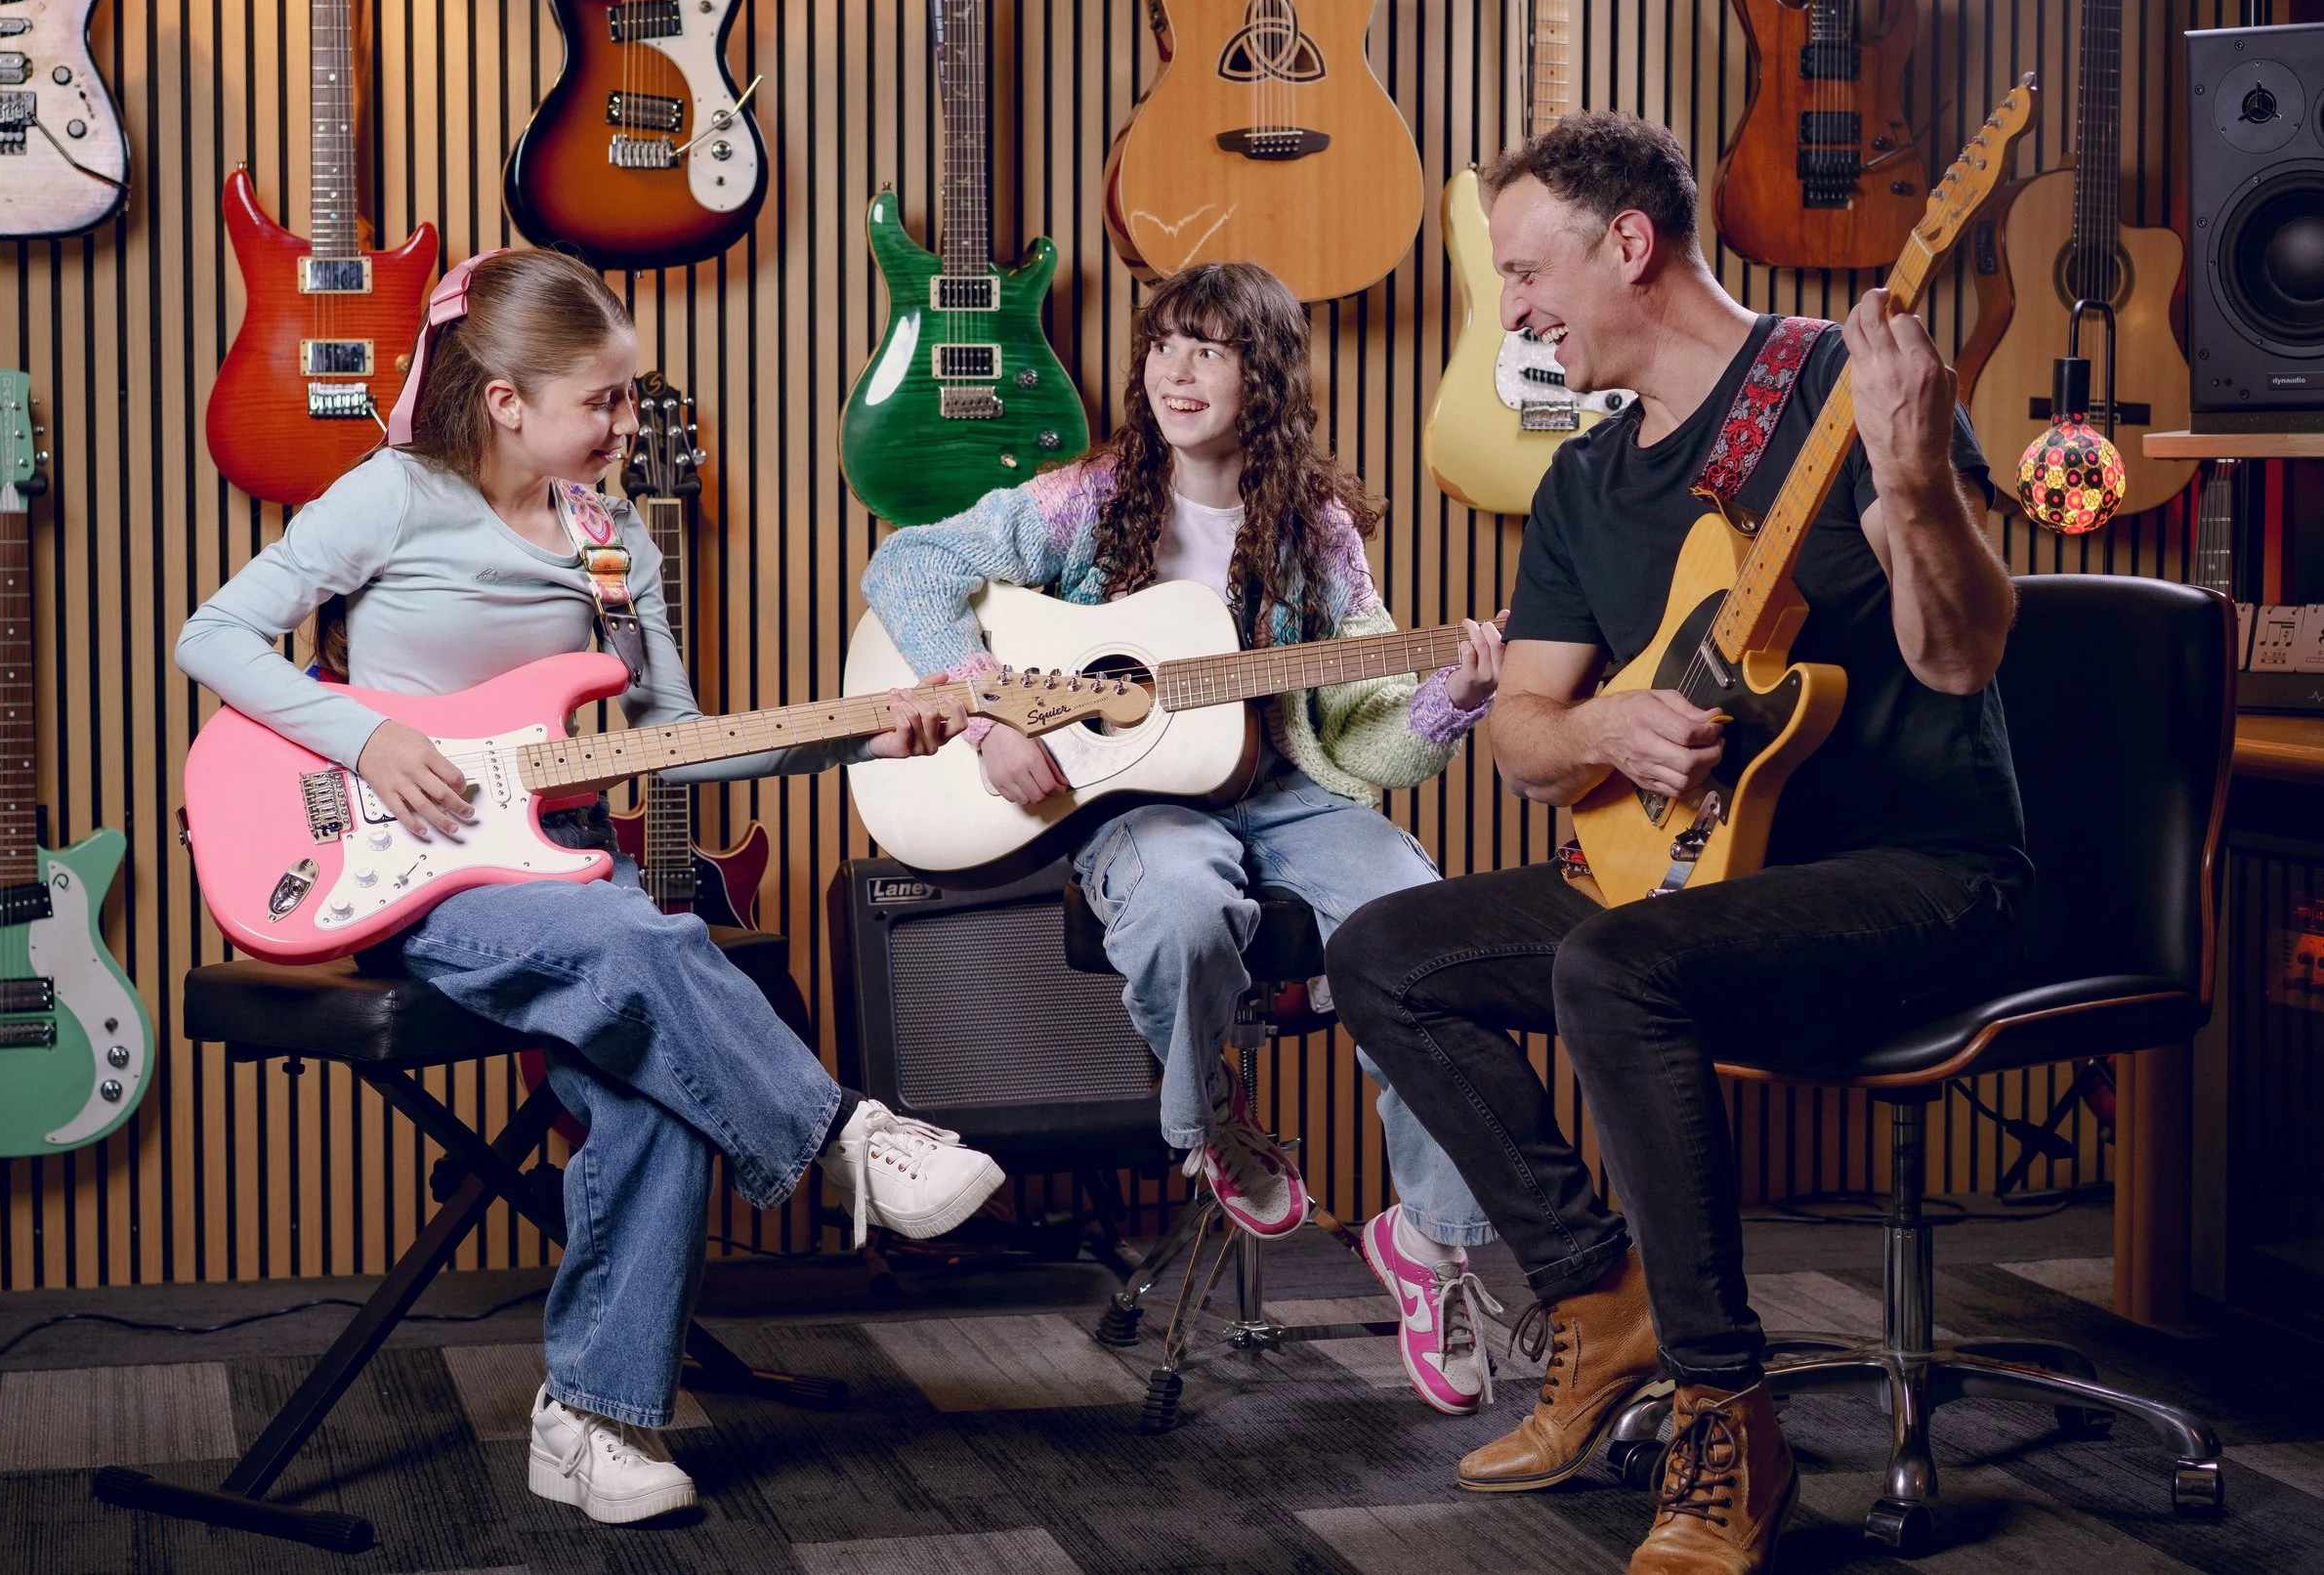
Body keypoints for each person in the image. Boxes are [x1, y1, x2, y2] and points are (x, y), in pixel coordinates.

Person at [175, 248, 1005, 1527]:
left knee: (649, 1068)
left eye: (631, 398)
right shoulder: (391, 496)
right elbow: (212, 636)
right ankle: (843, 1137)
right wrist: (369, 742)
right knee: (638, 934)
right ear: (505, 399)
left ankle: (593, 1424)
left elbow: (680, 736)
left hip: (570, 862)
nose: (627, 424)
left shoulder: (614, 546)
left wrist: (866, 730)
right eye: (602, 402)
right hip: (426, 883)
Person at [1325, 113, 2026, 1575]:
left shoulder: (1849, 386)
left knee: (1614, 965)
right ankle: (1598, 1306)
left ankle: (1726, 1414)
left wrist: (1911, 486)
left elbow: (1960, 661)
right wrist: (1604, 733)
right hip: (1702, 870)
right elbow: (1522, 732)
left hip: (1918, 877)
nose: (1511, 308)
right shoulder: (1587, 481)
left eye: (1526, 271)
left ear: (1628, 246)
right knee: (1385, 952)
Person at [863, 260, 1513, 1416]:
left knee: (1425, 935)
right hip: (1139, 807)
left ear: (1261, 375)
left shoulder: (1315, 529)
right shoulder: (1081, 500)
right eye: (1164, 341)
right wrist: (985, 707)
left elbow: (1361, 736)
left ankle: (1433, 1244)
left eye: (1208, 347)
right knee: (1181, 901)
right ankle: (1211, 1123)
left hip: (1286, 792)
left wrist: (1448, 700)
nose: (1177, 367)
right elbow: (908, 564)